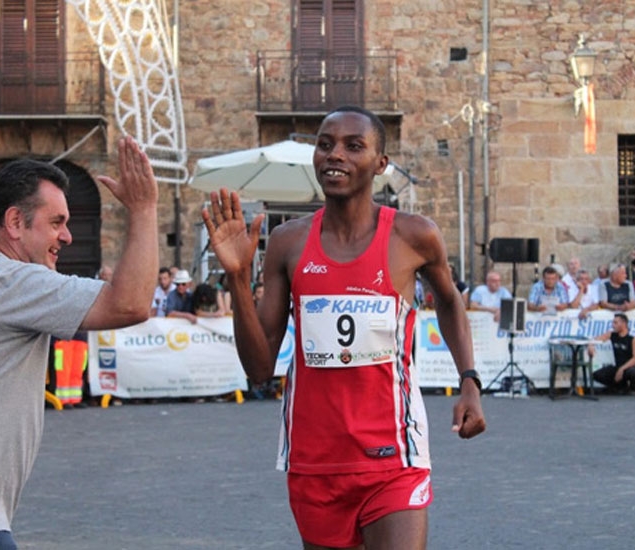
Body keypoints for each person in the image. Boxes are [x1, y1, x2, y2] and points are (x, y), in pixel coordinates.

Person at [201, 105, 485, 549]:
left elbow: (449, 302)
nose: (336, 155)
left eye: (354, 146)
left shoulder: (414, 236)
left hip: (394, 455)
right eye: (325, 144)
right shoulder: (288, 243)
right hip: (316, 462)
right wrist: (238, 279)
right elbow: (259, 369)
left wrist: (469, 380)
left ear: (381, 163)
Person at [0, 136, 158, 547]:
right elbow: (129, 304)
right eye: (56, 223)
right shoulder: (5, 279)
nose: (68, 236)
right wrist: (143, 209)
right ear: (15, 223)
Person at [588, 313, 635, 394]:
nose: (613, 325)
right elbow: (596, 340)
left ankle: (634, 387)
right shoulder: (612, 334)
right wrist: (591, 345)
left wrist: (622, 369)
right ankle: (620, 386)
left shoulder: (634, 337)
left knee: (633, 372)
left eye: (615, 323)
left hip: (631, 366)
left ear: (624, 323)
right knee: (597, 375)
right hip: (618, 366)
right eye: (613, 323)